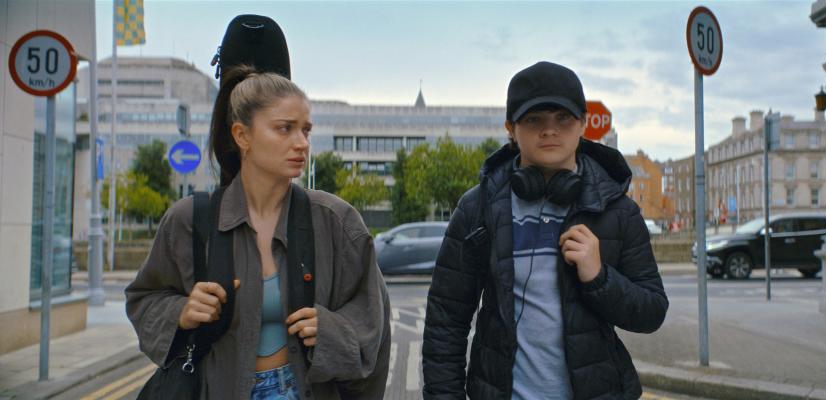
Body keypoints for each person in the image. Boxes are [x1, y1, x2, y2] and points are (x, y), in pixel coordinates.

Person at [126, 66, 391, 399]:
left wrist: (332, 331)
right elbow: (144, 299)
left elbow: (372, 315)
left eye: (306, 131)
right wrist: (180, 311)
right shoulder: (190, 220)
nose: (302, 144)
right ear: (242, 136)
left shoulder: (335, 220)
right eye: (285, 129)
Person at [422, 61, 669, 399]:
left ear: (583, 123)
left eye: (563, 118)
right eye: (534, 119)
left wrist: (599, 277)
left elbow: (652, 312)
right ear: (511, 128)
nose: (549, 130)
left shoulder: (618, 210)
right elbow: (445, 322)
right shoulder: (477, 208)